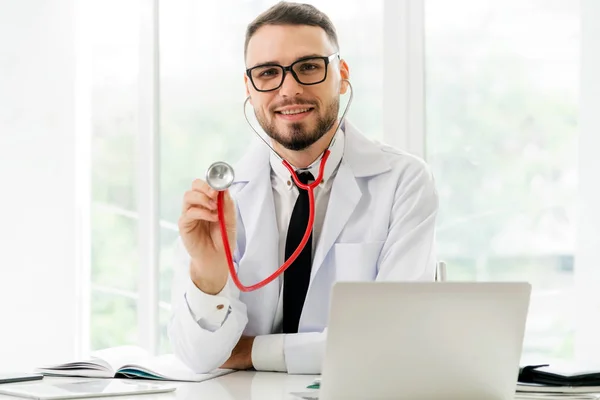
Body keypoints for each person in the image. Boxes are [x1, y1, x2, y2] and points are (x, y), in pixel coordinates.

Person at [168, 1, 439, 375]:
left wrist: (251, 352)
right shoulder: (215, 203)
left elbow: (394, 340)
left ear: (341, 75)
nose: (289, 89)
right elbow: (198, 357)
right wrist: (209, 274)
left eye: (309, 67)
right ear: (249, 87)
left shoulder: (403, 182)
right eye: (267, 73)